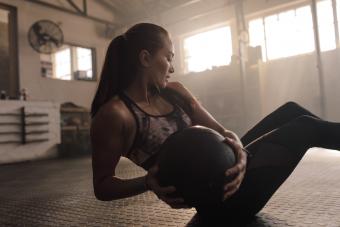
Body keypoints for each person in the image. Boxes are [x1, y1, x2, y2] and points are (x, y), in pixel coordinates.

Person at [90, 23, 340, 226]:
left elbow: (222, 132)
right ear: (145, 58)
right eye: (168, 57)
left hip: (229, 167)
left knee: (291, 111)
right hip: (222, 200)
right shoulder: (115, 114)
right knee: (306, 127)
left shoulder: (174, 92)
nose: (173, 67)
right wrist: (147, 183)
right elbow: (102, 185)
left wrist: (240, 154)